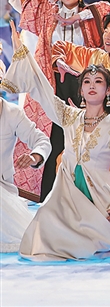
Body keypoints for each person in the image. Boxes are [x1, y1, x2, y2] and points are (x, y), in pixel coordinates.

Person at [1, 23, 110, 261]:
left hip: (98, 198)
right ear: (81, 90)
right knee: (37, 236)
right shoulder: (70, 117)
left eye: (98, 82)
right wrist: (23, 55)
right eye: (87, 82)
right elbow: (43, 92)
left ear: (108, 91)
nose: (92, 86)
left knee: (93, 238)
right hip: (66, 196)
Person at [13, 0, 110, 201]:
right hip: (53, 81)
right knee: (54, 133)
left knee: (84, 135)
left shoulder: (92, 14)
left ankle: (85, 192)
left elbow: (107, 9)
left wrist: (79, 17)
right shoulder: (48, 13)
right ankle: (49, 191)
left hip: (84, 83)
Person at [51, 12, 110, 148]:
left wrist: (83, 115)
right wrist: (59, 61)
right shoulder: (96, 57)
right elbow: (61, 46)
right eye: (106, 31)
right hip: (91, 138)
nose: (107, 36)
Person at [0, 74, 51, 252]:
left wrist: (34, 156)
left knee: (31, 238)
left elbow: (42, 141)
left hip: (3, 191)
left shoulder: (12, 113)